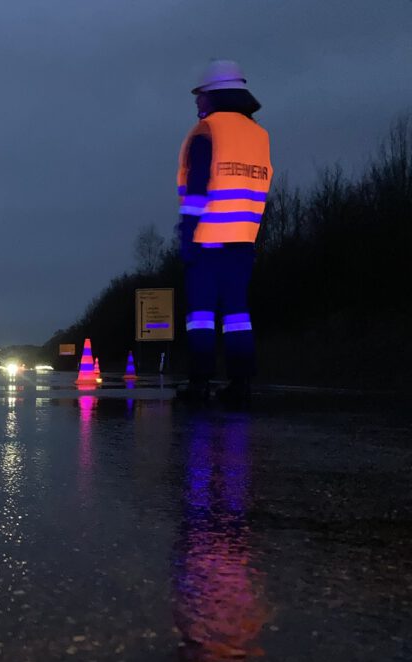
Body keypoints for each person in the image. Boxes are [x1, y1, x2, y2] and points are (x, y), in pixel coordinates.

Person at [175, 59, 273, 407]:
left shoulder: (207, 131)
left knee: (201, 315)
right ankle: (240, 384)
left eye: (200, 95)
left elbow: (198, 187)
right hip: (244, 241)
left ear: (216, 95)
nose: (197, 102)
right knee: (237, 315)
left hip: (208, 238)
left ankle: (199, 383)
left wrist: (187, 232)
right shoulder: (259, 135)